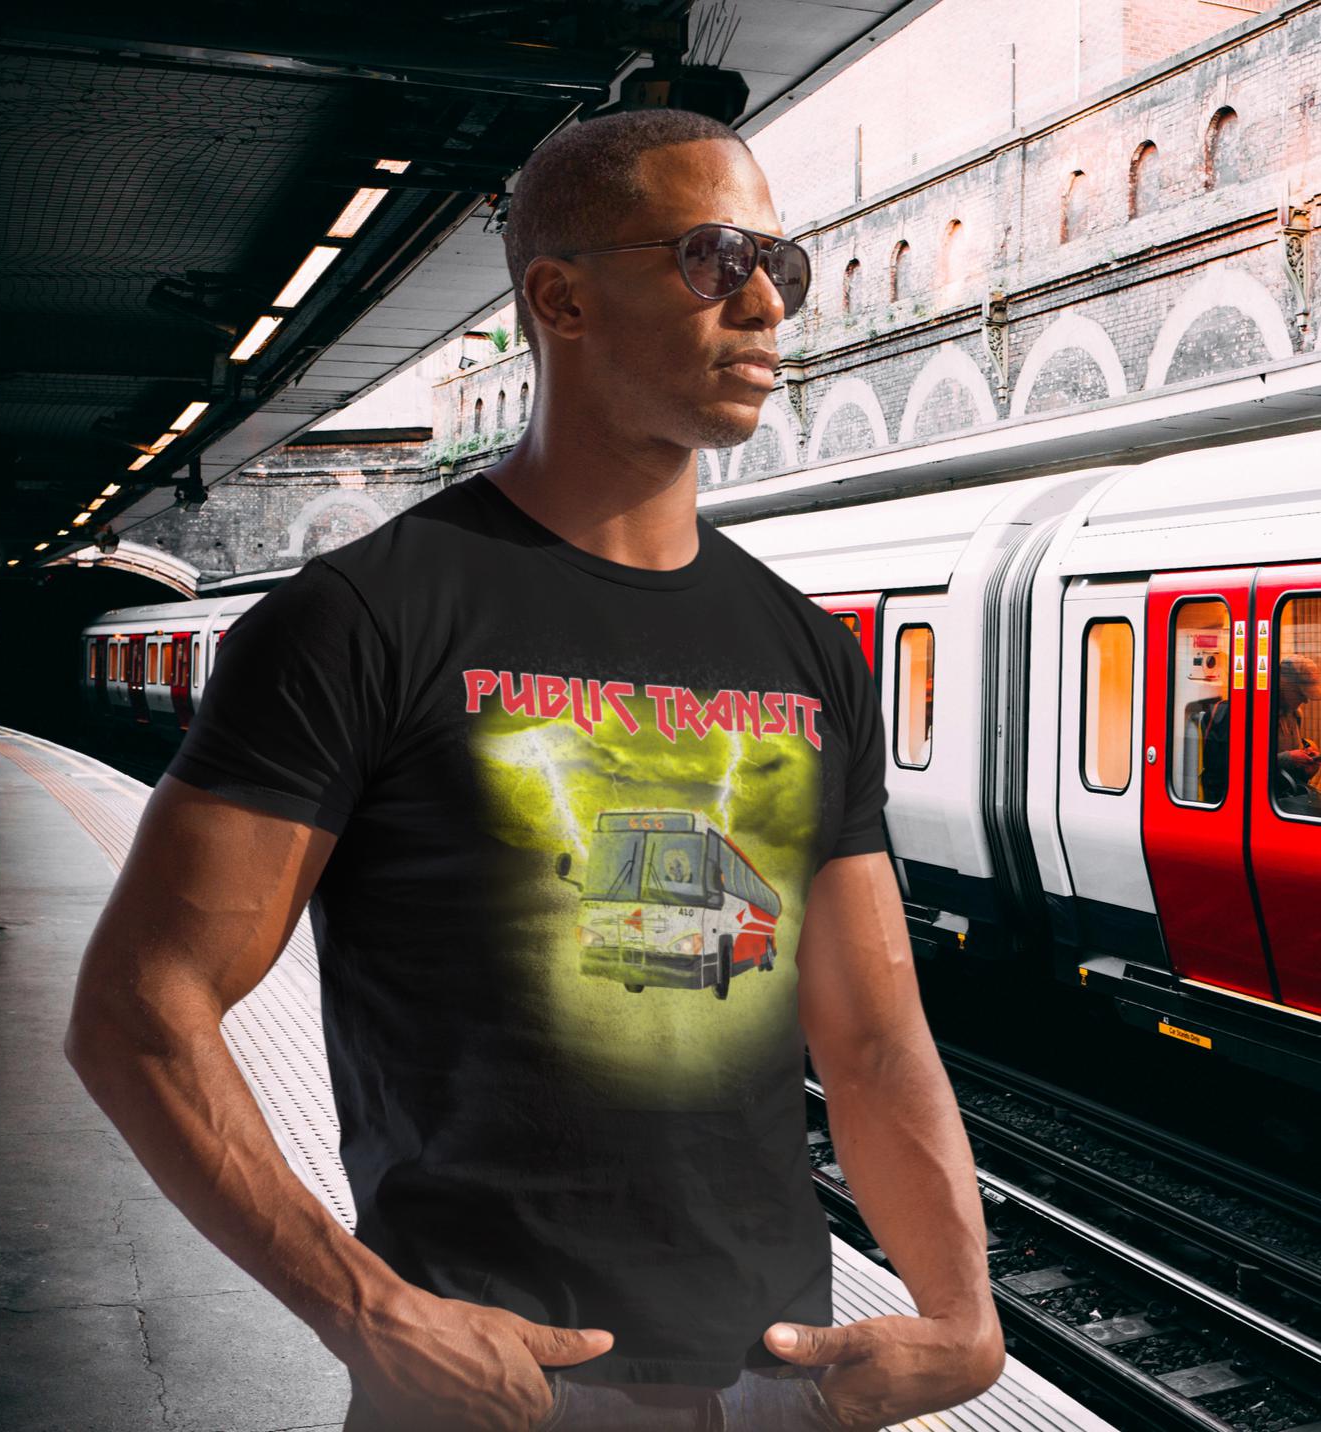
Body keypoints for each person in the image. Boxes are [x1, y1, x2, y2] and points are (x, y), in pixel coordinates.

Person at [65, 107, 1004, 1432]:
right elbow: (137, 1008)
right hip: (507, 1393)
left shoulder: (806, 653)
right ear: (559, 298)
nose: (766, 308)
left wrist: (963, 1313)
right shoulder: (366, 620)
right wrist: (365, 1310)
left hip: (787, 1386)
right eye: (714, 258)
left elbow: (871, 1035)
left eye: (779, 270)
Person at [1275, 654, 1321, 814]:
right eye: (1301, 694)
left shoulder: (1296, 714)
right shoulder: (1260, 715)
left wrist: (1306, 768)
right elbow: (1243, 764)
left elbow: (1289, 770)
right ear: (1285, 685)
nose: (1306, 701)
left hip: (1286, 795)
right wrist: (1288, 758)